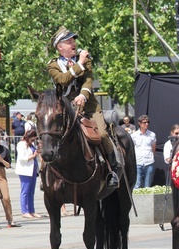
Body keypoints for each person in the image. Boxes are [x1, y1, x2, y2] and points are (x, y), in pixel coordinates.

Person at [48, 26, 119, 188]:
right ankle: (48, 171)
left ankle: (112, 169)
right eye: (69, 41)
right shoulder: (53, 65)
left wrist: (83, 95)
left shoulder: (85, 60)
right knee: (49, 133)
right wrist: (79, 63)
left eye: (74, 40)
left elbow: (88, 80)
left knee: (101, 134)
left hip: (88, 107)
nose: (73, 43)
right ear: (60, 47)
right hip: (65, 109)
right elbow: (63, 80)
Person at [15, 130, 42, 219]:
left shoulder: (31, 145)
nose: (33, 141)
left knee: (31, 192)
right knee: (25, 191)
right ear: (28, 137)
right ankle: (25, 211)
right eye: (32, 139)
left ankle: (31, 210)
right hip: (25, 171)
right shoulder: (21, 144)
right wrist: (34, 156)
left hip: (33, 170)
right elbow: (22, 159)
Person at [132, 114, 157, 188]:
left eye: (148, 122)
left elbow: (153, 148)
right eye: (144, 122)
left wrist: (151, 156)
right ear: (139, 123)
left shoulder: (152, 134)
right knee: (137, 184)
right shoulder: (134, 135)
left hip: (149, 162)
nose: (147, 124)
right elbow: (132, 148)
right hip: (138, 162)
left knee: (147, 186)